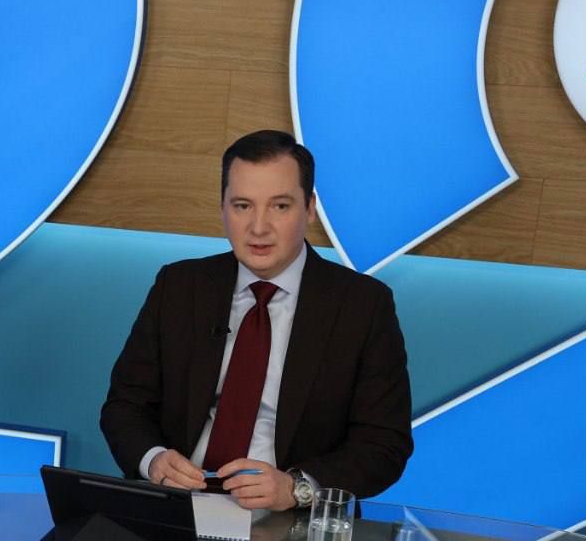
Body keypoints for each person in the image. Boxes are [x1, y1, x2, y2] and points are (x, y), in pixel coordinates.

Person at [100, 130, 412, 511]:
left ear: (309, 209)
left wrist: (296, 488)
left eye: (280, 206)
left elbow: (384, 443)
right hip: (178, 506)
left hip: (292, 519)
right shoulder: (179, 286)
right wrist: (153, 461)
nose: (259, 227)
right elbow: (124, 405)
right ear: (222, 208)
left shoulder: (363, 305)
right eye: (242, 206)